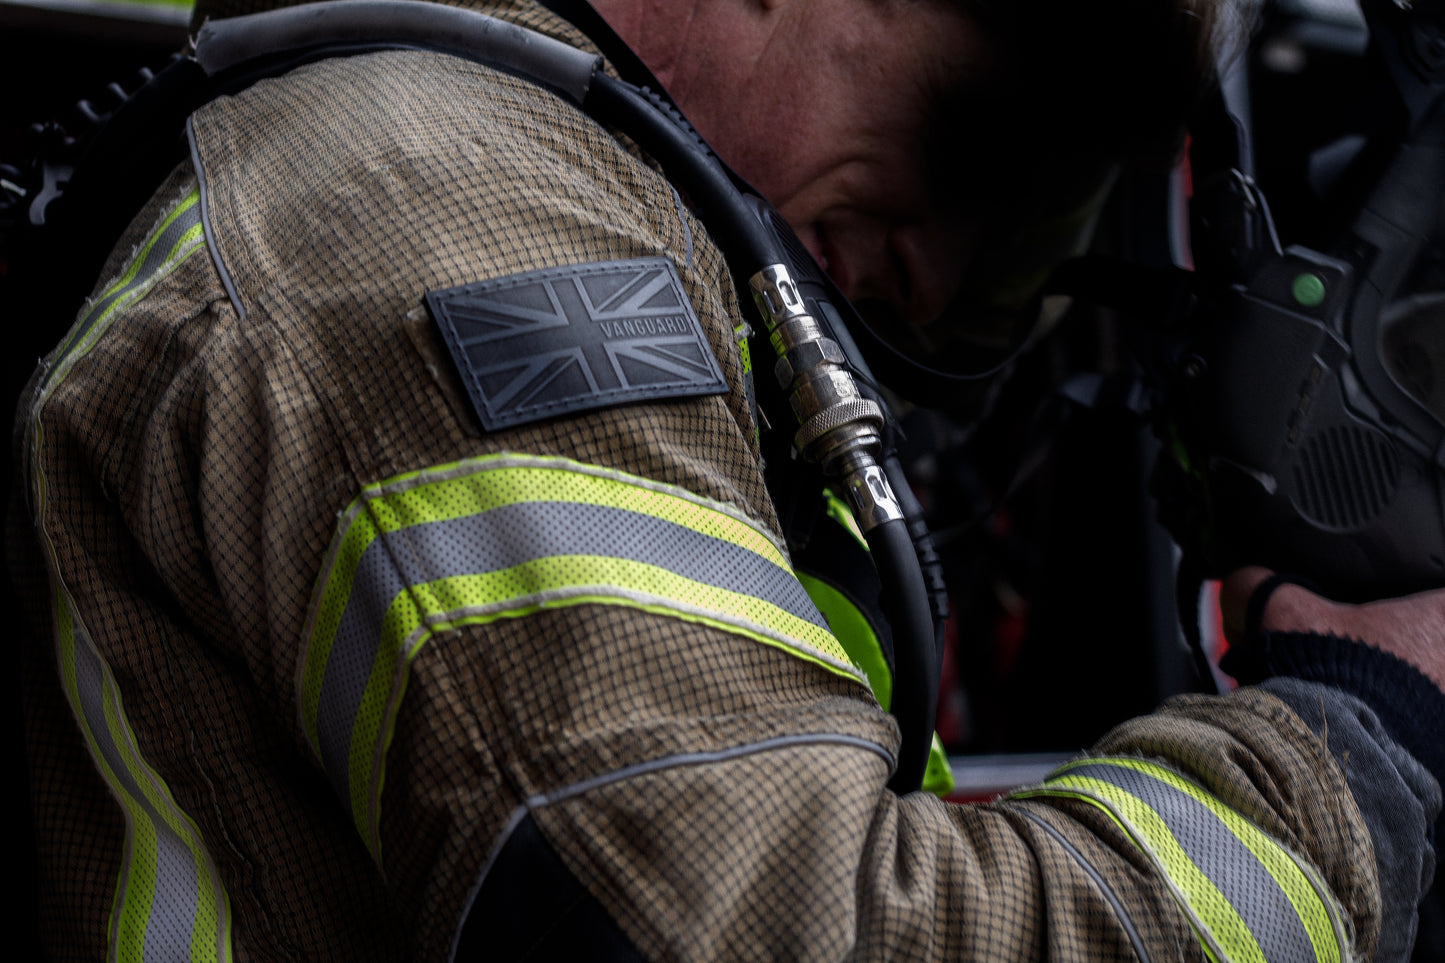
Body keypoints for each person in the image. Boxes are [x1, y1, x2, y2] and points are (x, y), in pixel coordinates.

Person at [8, 0, 1440, 959]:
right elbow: (769, 929)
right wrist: (1351, 740)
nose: (940, 287)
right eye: (983, 135)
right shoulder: (447, 202)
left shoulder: (445, 169)